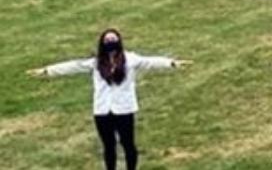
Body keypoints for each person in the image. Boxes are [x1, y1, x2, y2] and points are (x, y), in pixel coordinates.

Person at [28, 29, 190, 170]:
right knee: (108, 146)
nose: (111, 42)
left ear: (119, 41)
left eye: (113, 39)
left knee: (128, 145)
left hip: (124, 109)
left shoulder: (130, 59)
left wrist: (171, 63)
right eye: (107, 40)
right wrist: (47, 71)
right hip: (102, 111)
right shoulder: (96, 62)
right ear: (102, 43)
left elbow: (150, 62)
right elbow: (73, 66)